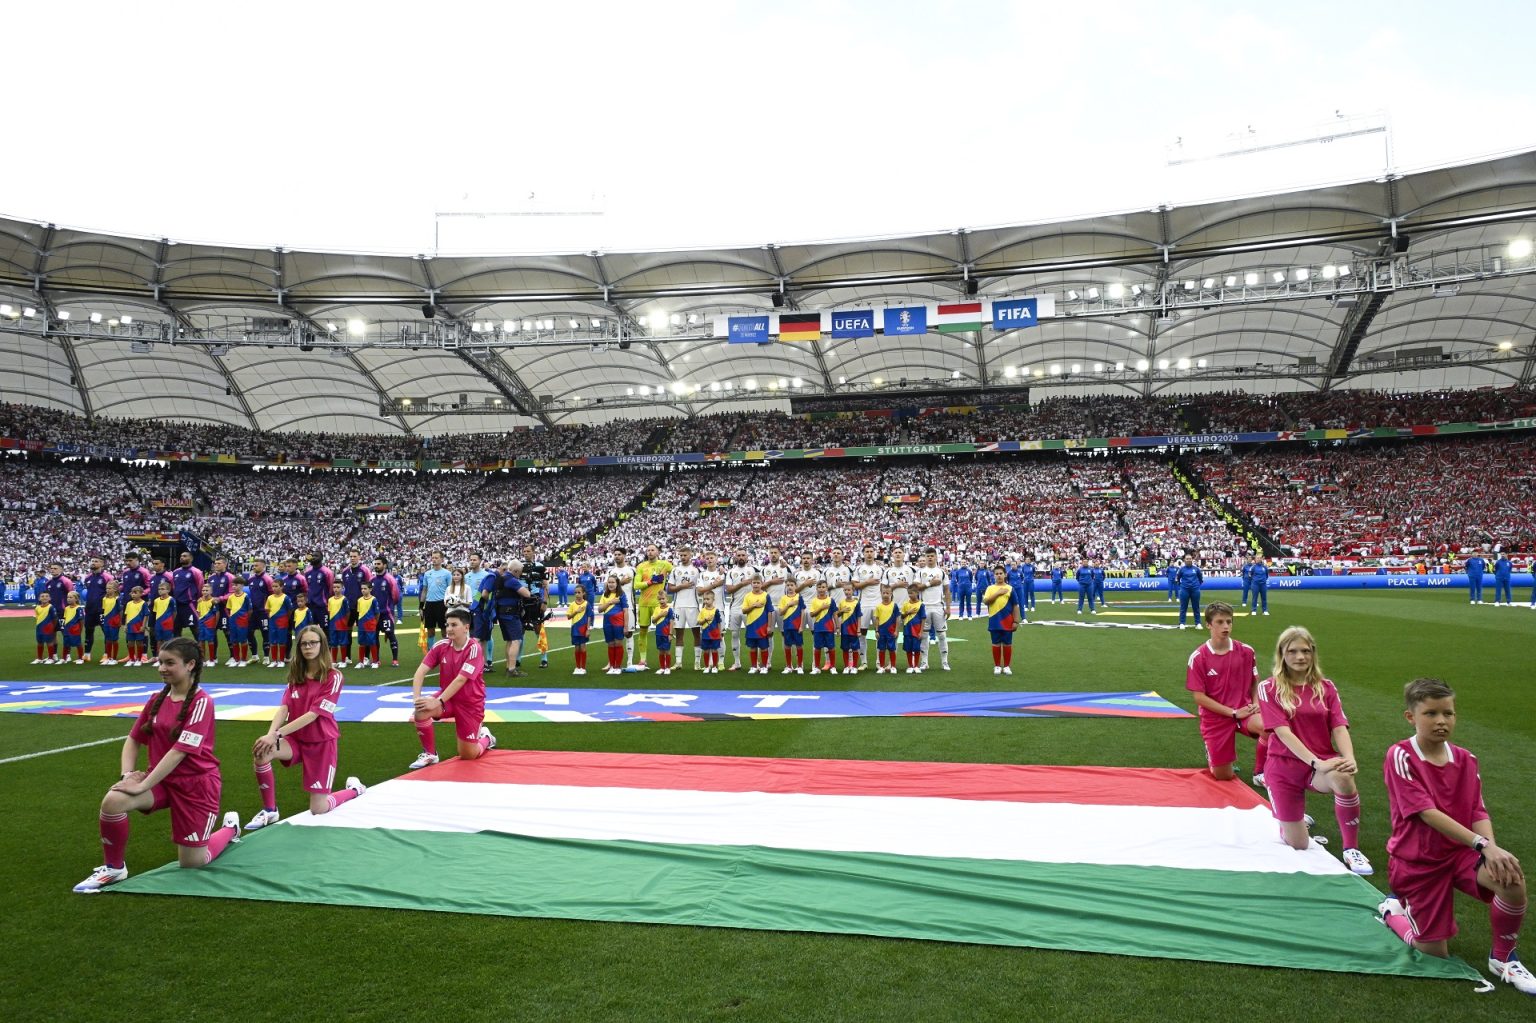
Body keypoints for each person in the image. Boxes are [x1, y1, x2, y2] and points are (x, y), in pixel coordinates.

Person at [1376, 677, 1535, 992]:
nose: (1441, 721)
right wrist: (1482, 845)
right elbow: (1426, 812)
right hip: (1417, 862)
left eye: (1447, 713)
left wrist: (1491, 849)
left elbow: (1477, 810)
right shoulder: (1401, 755)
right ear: (1410, 717)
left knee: (1511, 880)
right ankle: (1392, 912)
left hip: (1460, 853)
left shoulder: (1466, 759)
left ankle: (1503, 958)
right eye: (1431, 713)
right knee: (1434, 952)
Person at [73, 637, 241, 893]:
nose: (162, 668)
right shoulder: (156, 699)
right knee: (113, 801)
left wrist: (142, 786)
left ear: (190, 665)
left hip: (196, 786)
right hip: (161, 780)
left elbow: (179, 752)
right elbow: (133, 740)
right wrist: (127, 775)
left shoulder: (202, 702)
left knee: (192, 862)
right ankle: (114, 869)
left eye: (169, 663)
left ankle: (230, 829)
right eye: (160, 662)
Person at [1257, 626, 1373, 875]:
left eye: (1305, 651)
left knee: (1343, 777)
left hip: (1320, 764)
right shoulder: (1268, 687)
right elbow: (1283, 732)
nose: (1300, 657)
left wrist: (1349, 758)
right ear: (1282, 654)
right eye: (1293, 651)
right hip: (1284, 767)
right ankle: (1292, 822)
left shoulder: (1326, 687)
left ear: (1313, 653)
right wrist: (1315, 762)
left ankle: (1351, 849)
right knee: (1298, 844)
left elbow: (1339, 726)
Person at [245, 623, 366, 830]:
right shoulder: (297, 673)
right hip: (296, 739)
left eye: (312, 643)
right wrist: (270, 734)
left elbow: (313, 715)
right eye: (304, 644)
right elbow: (284, 708)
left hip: (321, 742)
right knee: (262, 752)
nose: (308, 647)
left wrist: (277, 735)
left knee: (318, 808)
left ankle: (354, 790)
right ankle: (270, 810)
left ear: (322, 645)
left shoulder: (333, 676)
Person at [1184, 602, 1265, 784]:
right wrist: (1233, 712)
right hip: (1216, 719)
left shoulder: (1246, 651)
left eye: (1229, 621)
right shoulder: (1198, 657)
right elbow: (1199, 697)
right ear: (1208, 624)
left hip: (1245, 711)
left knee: (1269, 726)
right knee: (1224, 776)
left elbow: (1254, 682)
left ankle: (1260, 773)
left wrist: (1256, 703)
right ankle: (1213, 755)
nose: (1226, 626)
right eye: (1220, 622)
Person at [408, 608, 496, 770]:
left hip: (470, 704)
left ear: (466, 627)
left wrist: (437, 701)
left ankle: (486, 738)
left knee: (468, 755)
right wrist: (416, 699)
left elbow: (461, 680)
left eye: (454, 625)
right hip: (448, 698)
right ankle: (430, 754)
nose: (449, 628)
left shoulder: (474, 648)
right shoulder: (441, 645)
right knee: (420, 710)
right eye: (447, 624)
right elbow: (420, 672)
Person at [634, 544, 673, 670]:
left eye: (652, 550)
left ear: (658, 552)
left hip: (658, 604)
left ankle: (664, 660)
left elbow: (678, 572)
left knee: (663, 630)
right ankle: (643, 659)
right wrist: (651, 582)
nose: (650, 552)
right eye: (648, 550)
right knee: (643, 631)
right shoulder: (641, 566)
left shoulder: (665, 565)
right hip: (644, 603)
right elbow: (636, 585)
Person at [494, 561, 534, 676]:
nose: (521, 574)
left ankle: (508, 667)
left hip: (502, 612)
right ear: (516, 571)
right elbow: (527, 594)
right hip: (511, 614)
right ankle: (512, 669)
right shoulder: (511, 580)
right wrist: (523, 586)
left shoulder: (502, 578)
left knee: (510, 641)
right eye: (520, 572)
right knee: (516, 640)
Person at [666, 546, 700, 671]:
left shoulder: (696, 571)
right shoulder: (675, 570)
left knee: (697, 634)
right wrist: (682, 586)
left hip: (693, 605)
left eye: (685, 555)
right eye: (681, 555)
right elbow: (670, 588)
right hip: (678, 606)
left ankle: (697, 663)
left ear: (690, 555)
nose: (683, 557)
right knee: (679, 634)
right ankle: (678, 662)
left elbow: (700, 588)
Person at [917, 548, 951, 671]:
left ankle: (945, 662)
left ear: (936, 557)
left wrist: (948, 608)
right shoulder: (920, 572)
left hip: (938, 607)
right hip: (924, 607)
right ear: (925, 558)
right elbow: (916, 588)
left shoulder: (941, 572)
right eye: (928, 556)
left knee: (941, 635)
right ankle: (924, 662)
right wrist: (930, 583)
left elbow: (947, 591)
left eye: (932, 556)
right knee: (924, 635)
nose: (930, 558)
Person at [723, 549, 757, 672]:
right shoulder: (731, 572)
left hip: (751, 607)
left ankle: (755, 663)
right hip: (735, 607)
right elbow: (728, 589)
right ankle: (737, 663)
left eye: (743, 555)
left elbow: (761, 585)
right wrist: (742, 584)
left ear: (747, 557)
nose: (741, 557)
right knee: (734, 634)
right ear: (735, 558)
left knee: (753, 635)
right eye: (739, 555)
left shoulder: (753, 570)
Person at [604, 548, 638, 666]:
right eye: (615, 554)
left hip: (628, 605)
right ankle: (611, 662)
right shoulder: (611, 571)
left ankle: (629, 662)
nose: (617, 556)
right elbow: (606, 588)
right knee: (612, 636)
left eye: (619, 554)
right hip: (612, 607)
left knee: (628, 633)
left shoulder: (632, 570)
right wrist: (621, 582)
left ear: (624, 555)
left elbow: (637, 585)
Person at [983, 564, 1018, 676]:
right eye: (996, 574)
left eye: (1001, 573)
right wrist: (998, 593)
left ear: (1005, 575)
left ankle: (1007, 666)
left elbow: (1015, 605)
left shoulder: (1010, 589)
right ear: (993, 576)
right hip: (994, 621)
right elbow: (986, 601)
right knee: (996, 644)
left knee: (1007, 644)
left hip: (1007, 620)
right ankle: (997, 666)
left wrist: (1016, 621)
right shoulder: (990, 588)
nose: (999, 576)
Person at [80, 555, 114, 663]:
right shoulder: (88, 578)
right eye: (92, 561)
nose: (93, 563)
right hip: (90, 609)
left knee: (106, 632)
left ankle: (107, 654)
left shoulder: (107, 577)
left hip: (102, 609)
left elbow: (112, 593)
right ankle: (87, 654)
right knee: (88, 631)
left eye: (96, 561)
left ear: (102, 564)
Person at [370, 557, 402, 667]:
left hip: (386, 613)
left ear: (384, 565)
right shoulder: (372, 580)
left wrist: (389, 607)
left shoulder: (390, 579)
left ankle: (395, 660)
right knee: (374, 637)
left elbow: (396, 596)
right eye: (375, 564)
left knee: (390, 634)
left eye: (378, 564)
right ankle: (376, 659)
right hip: (374, 614)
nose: (376, 566)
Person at [205, 557, 236, 666]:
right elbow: (207, 591)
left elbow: (232, 592)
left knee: (227, 632)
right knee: (212, 632)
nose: (216, 565)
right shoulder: (211, 578)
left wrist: (220, 598)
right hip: (213, 609)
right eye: (215, 563)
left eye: (219, 563)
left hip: (225, 609)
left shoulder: (230, 577)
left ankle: (233, 657)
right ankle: (213, 657)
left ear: (225, 565)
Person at [418, 550, 452, 645]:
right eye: (433, 558)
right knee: (430, 631)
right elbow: (424, 590)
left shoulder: (447, 573)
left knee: (444, 630)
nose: (434, 560)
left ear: (442, 559)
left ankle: (446, 650)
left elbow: (450, 590)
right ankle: (431, 651)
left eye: (436, 558)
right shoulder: (427, 574)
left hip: (442, 604)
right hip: (429, 604)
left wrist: (449, 607)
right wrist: (421, 606)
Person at [597, 575, 628, 675]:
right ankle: (612, 666)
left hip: (618, 622)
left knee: (618, 643)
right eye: (609, 582)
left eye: (613, 582)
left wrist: (626, 626)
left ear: (617, 583)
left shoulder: (621, 594)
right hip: (607, 622)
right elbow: (600, 609)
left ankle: (617, 667)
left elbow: (625, 611)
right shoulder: (605, 595)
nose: (610, 584)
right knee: (610, 644)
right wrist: (610, 602)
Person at [742, 576, 772, 674]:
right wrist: (754, 605)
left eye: (758, 583)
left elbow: (769, 612)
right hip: (751, 625)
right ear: (751, 584)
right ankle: (754, 666)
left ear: (761, 584)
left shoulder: (766, 595)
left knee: (764, 647)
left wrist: (769, 626)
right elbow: (744, 610)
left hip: (762, 625)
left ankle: (764, 667)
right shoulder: (747, 596)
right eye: (754, 583)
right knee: (753, 647)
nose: (756, 584)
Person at [171, 552, 204, 637]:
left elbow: (200, 586)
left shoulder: (196, 571)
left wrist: (195, 599)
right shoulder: (175, 572)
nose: (182, 557)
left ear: (191, 559)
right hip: (177, 605)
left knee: (195, 629)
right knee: (176, 629)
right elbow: (174, 586)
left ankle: (201, 646)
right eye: (181, 556)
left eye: (185, 556)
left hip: (190, 604)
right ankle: (178, 646)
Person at [808, 580, 837, 675]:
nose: (821, 589)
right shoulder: (814, 601)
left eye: (823, 587)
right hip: (818, 627)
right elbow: (812, 614)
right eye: (819, 587)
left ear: (827, 588)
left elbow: (835, 614)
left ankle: (833, 667)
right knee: (817, 648)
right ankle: (816, 667)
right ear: (816, 589)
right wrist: (821, 608)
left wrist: (837, 626)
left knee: (831, 647)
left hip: (829, 628)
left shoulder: (831, 600)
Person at [871, 584, 900, 674]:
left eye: (887, 593)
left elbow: (897, 618)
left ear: (891, 594)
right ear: (881, 594)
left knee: (892, 649)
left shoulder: (894, 605)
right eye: (883, 593)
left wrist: (896, 631)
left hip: (891, 632)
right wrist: (876, 631)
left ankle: (893, 666)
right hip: (881, 632)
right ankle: (882, 667)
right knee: (882, 649)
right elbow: (876, 619)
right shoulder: (878, 606)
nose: (885, 595)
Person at [777, 584, 805, 674]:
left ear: (795, 586)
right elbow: (780, 612)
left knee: (799, 645)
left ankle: (799, 666)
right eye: (788, 585)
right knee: (787, 645)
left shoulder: (799, 597)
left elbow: (803, 611)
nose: (789, 587)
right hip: (787, 625)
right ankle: (789, 666)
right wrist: (788, 605)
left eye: (792, 585)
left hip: (797, 626)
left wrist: (801, 626)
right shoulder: (783, 598)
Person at [265, 584, 293, 668]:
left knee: (282, 641)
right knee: (273, 641)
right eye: (273, 586)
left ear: (281, 587)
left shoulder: (286, 598)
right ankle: (274, 661)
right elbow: (267, 609)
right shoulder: (270, 598)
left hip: (282, 622)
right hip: (272, 622)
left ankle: (281, 660)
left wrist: (285, 618)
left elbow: (290, 610)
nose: (274, 588)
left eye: (276, 586)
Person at [836, 586, 863, 674]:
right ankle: (846, 667)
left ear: (853, 591)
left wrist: (858, 630)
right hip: (844, 630)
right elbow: (837, 615)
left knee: (855, 648)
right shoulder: (842, 602)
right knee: (845, 649)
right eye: (845, 590)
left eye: (849, 590)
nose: (847, 592)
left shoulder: (856, 603)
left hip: (854, 629)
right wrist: (841, 611)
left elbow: (859, 617)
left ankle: (854, 667)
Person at [327, 580, 354, 667]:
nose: (336, 589)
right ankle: (334, 661)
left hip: (342, 625)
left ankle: (343, 661)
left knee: (343, 643)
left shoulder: (344, 599)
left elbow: (348, 613)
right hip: (333, 625)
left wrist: (344, 622)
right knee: (333, 643)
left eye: (338, 587)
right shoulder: (330, 600)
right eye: (334, 587)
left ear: (342, 588)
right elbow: (329, 612)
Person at [225, 583, 253, 668]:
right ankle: (236, 659)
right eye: (233, 585)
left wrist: (245, 618)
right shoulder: (231, 597)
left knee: (243, 640)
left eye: (236, 585)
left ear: (241, 586)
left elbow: (250, 610)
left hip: (242, 621)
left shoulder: (245, 596)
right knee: (234, 640)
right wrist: (231, 617)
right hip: (233, 621)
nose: (234, 587)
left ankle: (243, 660)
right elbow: (228, 608)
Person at [568, 585, 592, 675]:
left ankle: (583, 667)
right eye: (575, 593)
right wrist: (576, 611)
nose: (577, 594)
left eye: (579, 592)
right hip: (575, 629)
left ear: (583, 593)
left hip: (583, 629)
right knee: (577, 648)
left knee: (582, 647)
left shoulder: (586, 604)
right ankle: (577, 667)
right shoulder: (572, 604)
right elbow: (568, 616)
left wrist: (588, 629)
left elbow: (589, 616)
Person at [900, 590, 926, 674]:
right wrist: (908, 612)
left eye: (912, 593)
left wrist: (921, 631)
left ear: (917, 593)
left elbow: (923, 618)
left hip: (917, 630)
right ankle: (910, 666)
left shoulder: (921, 605)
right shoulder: (905, 604)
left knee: (917, 648)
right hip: (907, 630)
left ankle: (916, 666)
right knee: (908, 648)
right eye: (909, 593)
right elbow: (902, 616)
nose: (910, 595)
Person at [354, 586, 380, 669]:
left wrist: (374, 622)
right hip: (361, 625)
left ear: (370, 589)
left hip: (370, 624)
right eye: (362, 589)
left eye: (365, 589)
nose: (363, 590)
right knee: (361, 643)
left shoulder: (373, 599)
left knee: (372, 642)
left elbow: (377, 613)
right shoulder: (359, 600)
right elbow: (359, 612)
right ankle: (361, 662)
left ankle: (375, 662)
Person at [99, 579, 123, 666]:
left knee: (114, 640)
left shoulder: (117, 599)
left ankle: (114, 658)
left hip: (114, 621)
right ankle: (108, 658)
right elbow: (104, 610)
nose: (107, 590)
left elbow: (120, 611)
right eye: (107, 588)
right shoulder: (104, 599)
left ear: (115, 589)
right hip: (106, 621)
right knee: (108, 639)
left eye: (109, 588)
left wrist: (120, 621)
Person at [697, 590, 723, 673]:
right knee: (706, 650)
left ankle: (715, 667)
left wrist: (720, 634)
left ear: (713, 600)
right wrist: (705, 619)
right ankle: (707, 667)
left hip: (714, 634)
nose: (706, 601)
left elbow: (719, 623)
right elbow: (699, 622)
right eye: (704, 599)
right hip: (705, 634)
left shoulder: (716, 611)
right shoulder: (702, 611)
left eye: (708, 599)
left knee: (714, 650)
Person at [123, 585, 149, 667]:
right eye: (132, 593)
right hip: (130, 626)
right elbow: (127, 615)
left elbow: (146, 615)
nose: (133, 594)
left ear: (141, 593)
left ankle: (139, 659)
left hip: (139, 626)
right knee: (130, 643)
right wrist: (126, 625)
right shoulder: (129, 604)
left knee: (139, 642)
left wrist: (143, 626)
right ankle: (131, 659)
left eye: (135, 593)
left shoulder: (143, 603)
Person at [652, 592, 677, 675]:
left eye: (663, 599)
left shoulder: (669, 609)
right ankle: (662, 668)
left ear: (667, 599)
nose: (661, 600)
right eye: (659, 599)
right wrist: (660, 615)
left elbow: (671, 621)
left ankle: (667, 668)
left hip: (666, 634)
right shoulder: (656, 609)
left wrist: (670, 634)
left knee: (667, 650)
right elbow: (653, 620)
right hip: (658, 633)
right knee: (661, 651)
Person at [195, 583, 220, 665]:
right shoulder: (200, 601)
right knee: (201, 641)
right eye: (203, 590)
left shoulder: (213, 601)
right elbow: (198, 612)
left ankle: (212, 660)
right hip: (201, 623)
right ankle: (203, 660)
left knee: (210, 641)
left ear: (211, 591)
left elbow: (217, 613)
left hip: (210, 623)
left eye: (206, 590)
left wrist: (215, 624)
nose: (204, 592)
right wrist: (199, 621)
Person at [1176, 556, 1204, 629]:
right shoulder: (1182, 569)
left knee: (1196, 607)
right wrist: (1182, 586)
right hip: (1184, 590)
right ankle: (1182, 623)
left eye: (1190, 559)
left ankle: (1198, 623)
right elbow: (1178, 579)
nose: (1189, 560)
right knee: (1183, 607)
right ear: (1184, 560)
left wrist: (1196, 585)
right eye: (1187, 559)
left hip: (1195, 590)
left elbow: (1200, 579)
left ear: (1192, 560)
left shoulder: (1196, 569)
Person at [152, 580, 177, 658]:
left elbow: (174, 612)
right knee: (159, 640)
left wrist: (171, 621)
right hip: (158, 623)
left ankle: (168, 657)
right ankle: (159, 657)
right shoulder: (156, 600)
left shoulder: (171, 600)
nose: (160, 590)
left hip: (168, 623)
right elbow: (156, 612)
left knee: (168, 641)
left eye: (162, 589)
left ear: (168, 590)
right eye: (159, 589)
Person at [32, 590, 59, 664]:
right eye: (42, 596)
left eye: (47, 596)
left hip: (48, 628)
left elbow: (55, 619)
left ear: (50, 598)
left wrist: (52, 627)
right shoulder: (37, 607)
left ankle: (51, 658)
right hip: (39, 628)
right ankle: (39, 658)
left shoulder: (51, 607)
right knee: (39, 642)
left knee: (49, 642)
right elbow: (37, 617)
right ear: (39, 598)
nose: (44, 598)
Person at [60, 590, 86, 664]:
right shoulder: (66, 608)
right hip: (67, 629)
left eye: (71, 597)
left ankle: (80, 658)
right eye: (68, 597)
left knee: (78, 643)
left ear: (76, 599)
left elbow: (81, 620)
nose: (68, 599)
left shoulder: (79, 608)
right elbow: (65, 618)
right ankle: (64, 658)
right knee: (66, 644)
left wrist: (80, 630)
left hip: (75, 629)